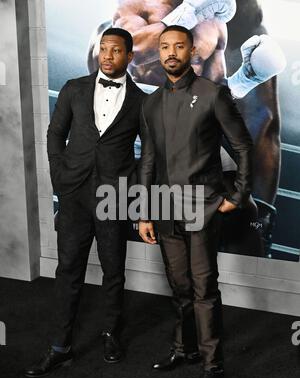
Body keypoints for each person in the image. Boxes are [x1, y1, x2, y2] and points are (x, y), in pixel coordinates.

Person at [87, 0, 286, 256]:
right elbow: (133, 51)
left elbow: (217, 89)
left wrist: (246, 78)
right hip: (137, 128)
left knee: (246, 214)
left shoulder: (218, 26)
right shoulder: (136, 9)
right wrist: (189, 13)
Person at [138, 25, 253, 378]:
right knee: (180, 285)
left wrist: (237, 194)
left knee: (204, 289)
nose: (171, 52)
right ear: (160, 52)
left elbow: (243, 147)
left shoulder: (213, 95)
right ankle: (182, 349)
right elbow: (149, 162)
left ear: (191, 52)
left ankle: (212, 364)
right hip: (165, 210)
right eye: (165, 46)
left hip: (203, 208)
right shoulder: (151, 103)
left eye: (179, 46)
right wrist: (144, 212)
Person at [25, 28, 145, 378]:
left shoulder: (141, 101)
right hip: (74, 194)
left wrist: (131, 185)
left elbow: (150, 151)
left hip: (114, 197)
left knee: (113, 273)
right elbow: (54, 134)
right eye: (103, 49)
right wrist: (60, 177)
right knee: (68, 271)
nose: (107, 55)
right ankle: (60, 347)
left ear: (129, 56)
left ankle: (111, 335)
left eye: (116, 51)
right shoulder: (74, 88)